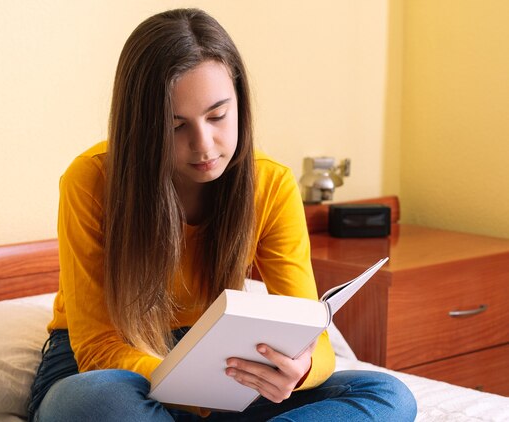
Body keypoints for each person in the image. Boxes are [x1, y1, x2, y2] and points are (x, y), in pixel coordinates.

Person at [28, 8, 416, 422]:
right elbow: (98, 347)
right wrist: (196, 393)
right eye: (175, 126)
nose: (205, 144)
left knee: (388, 395)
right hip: (112, 370)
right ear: (142, 126)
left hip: (221, 365)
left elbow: (312, 332)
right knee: (98, 402)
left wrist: (299, 369)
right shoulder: (91, 181)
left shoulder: (270, 184)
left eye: (217, 116)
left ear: (239, 103)